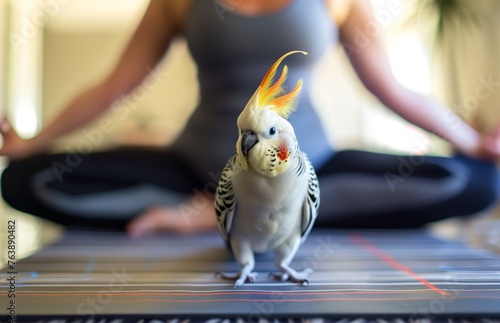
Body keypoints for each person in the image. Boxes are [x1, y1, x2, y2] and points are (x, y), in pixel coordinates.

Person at [1, 0, 499, 237]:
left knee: (479, 183)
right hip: (196, 169)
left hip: (310, 170)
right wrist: (31, 142)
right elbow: (116, 86)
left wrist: (472, 141)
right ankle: (231, 210)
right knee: (24, 180)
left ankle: (236, 216)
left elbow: (389, 88)